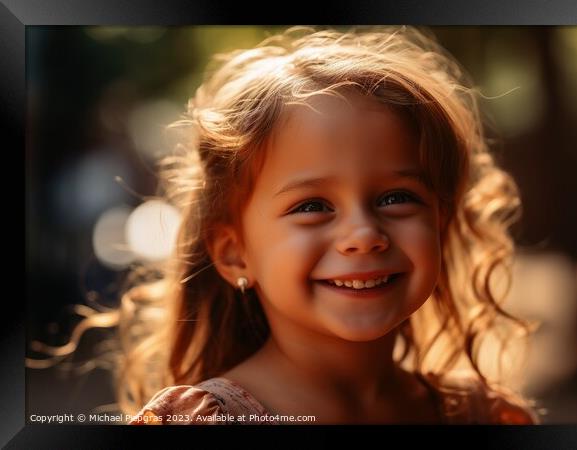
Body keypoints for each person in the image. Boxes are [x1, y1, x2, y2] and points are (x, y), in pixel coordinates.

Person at [125, 26, 539, 425]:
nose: (363, 235)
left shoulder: (485, 415)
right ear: (234, 253)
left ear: (440, 223)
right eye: (312, 205)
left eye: (396, 198)